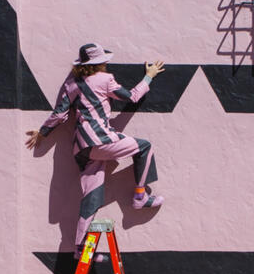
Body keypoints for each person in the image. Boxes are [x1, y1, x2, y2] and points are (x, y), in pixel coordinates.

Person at [25, 43, 167, 247]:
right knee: (145, 147)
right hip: (101, 140)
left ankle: (80, 248)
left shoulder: (72, 84)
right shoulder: (105, 79)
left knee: (92, 196)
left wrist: (42, 132)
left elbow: (60, 113)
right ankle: (140, 197)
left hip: (82, 148)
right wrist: (149, 77)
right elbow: (132, 97)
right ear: (99, 63)